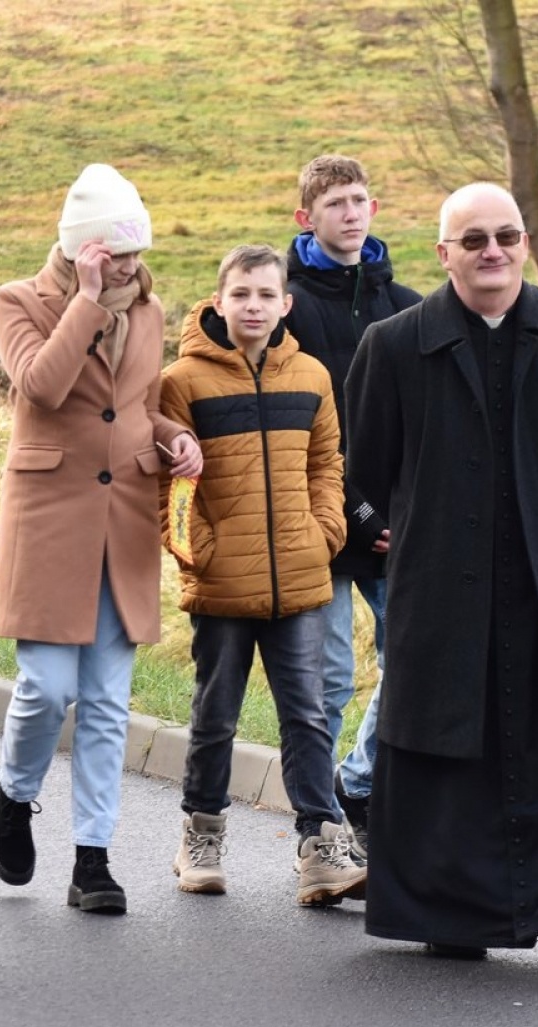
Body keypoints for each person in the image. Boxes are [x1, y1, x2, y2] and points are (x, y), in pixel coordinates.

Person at [344, 182, 538, 964]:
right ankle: (458, 915)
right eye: (472, 240)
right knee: (451, 746)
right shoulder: (394, 346)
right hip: (442, 581)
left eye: (506, 236)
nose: (492, 252)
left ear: (524, 246)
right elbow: (372, 463)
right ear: (443, 254)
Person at [0, 163, 201, 915]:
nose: (134, 272)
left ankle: (93, 859)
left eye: (138, 257)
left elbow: (137, 405)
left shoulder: (148, 310)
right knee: (47, 687)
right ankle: (14, 796)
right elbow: (39, 389)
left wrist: (176, 439)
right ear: (84, 252)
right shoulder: (20, 301)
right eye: (117, 259)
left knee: (108, 701)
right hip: (50, 519)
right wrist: (83, 303)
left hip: (127, 521)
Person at [158, 243, 365, 906]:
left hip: (301, 579)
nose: (253, 306)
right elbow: (170, 491)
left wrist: (324, 534)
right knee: (215, 714)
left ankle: (321, 846)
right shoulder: (181, 383)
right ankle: (202, 836)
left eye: (265, 295)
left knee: (307, 715)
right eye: (241, 294)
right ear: (219, 301)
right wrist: (203, 552)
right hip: (221, 585)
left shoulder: (309, 376)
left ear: (285, 304)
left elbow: (327, 465)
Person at [283, 154, 420, 853]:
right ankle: (323, 832)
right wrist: (357, 511)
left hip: (397, 524)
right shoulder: (283, 304)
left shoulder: (411, 305)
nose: (352, 213)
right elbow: (289, 427)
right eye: (336, 204)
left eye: (361, 200)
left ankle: (357, 784)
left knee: (417, 660)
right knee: (329, 680)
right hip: (319, 519)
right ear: (307, 217)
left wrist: (403, 510)